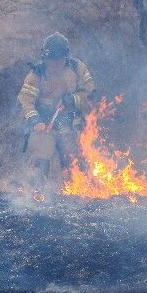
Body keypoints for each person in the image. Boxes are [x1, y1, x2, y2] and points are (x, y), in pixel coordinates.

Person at [17, 32, 94, 188]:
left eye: (59, 61)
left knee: (73, 161)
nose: (55, 65)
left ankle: (78, 193)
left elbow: (90, 93)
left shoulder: (77, 68)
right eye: (51, 61)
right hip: (45, 127)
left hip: (72, 127)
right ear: (45, 58)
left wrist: (72, 100)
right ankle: (38, 193)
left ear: (66, 57)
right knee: (42, 151)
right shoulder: (37, 74)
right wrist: (35, 120)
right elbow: (25, 100)